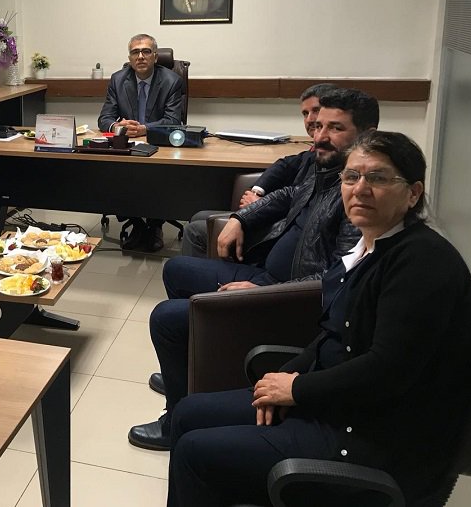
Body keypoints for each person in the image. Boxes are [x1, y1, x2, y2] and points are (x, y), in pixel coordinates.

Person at [166, 131, 471, 507]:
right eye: (351, 176)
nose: (360, 189)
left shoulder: (421, 264)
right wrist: (283, 379)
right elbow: (333, 335)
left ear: (413, 193)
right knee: (187, 413)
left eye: (377, 178)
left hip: (366, 438)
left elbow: (387, 371)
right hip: (334, 403)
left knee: (195, 453)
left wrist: (297, 390)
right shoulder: (369, 247)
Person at [128, 88, 378, 452]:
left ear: (366, 135)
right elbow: (287, 195)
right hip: (269, 278)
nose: (319, 135)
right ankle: (187, 372)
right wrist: (240, 219)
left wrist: (262, 293)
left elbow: (339, 279)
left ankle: (175, 420)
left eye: (335, 128)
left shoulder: (357, 193)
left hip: (286, 299)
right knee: (177, 270)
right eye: (318, 124)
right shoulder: (324, 168)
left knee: (166, 318)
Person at [181, 83, 337, 257]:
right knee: (199, 216)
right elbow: (284, 164)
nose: (309, 119)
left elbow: (301, 200)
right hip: (280, 216)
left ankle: (207, 270)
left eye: (316, 110)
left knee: (195, 231)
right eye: (305, 114)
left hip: (285, 231)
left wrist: (259, 206)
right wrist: (258, 191)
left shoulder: (333, 156)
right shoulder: (314, 151)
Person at [97, 33, 184, 252]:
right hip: (129, 146)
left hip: (160, 146)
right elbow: (104, 118)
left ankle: (155, 225)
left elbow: (174, 121)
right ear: (129, 58)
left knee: (159, 177)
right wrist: (118, 127)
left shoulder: (172, 81)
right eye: (135, 52)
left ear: (155, 56)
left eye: (146, 51)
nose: (141, 56)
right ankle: (136, 223)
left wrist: (145, 129)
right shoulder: (118, 79)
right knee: (115, 173)